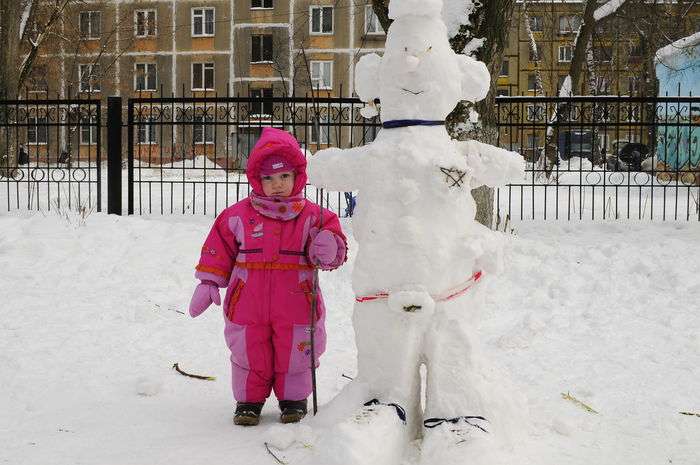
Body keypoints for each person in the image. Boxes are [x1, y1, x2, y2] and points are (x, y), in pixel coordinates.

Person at [189, 127, 347, 426]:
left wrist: (329, 246)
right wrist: (209, 280)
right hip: (248, 299)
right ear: (256, 180)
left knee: (296, 348)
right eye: (269, 178)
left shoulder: (315, 216)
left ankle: (293, 400)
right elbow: (219, 246)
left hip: (297, 299)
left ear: (297, 176)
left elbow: (334, 252)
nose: (277, 185)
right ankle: (248, 401)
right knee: (249, 348)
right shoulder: (237, 216)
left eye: (284, 176)